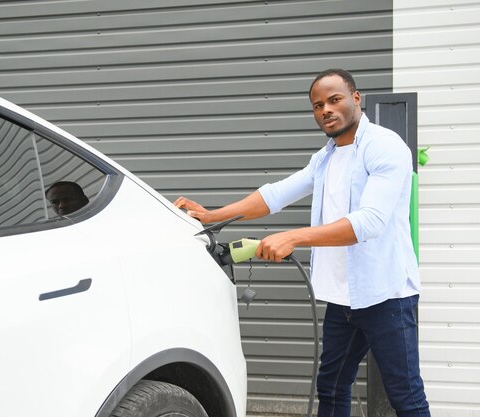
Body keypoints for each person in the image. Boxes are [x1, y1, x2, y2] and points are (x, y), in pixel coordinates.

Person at [175, 69, 430, 417]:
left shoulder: (385, 147)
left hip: (387, 295)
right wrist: (211, 215)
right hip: (343, 299)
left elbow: (370, 222)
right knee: (333, 386)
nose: (326, 109)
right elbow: (275, 195)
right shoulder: (324, 157)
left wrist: (293, 236)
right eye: (317, 105)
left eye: (334, 99)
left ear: (356, 98)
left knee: (406, 396)